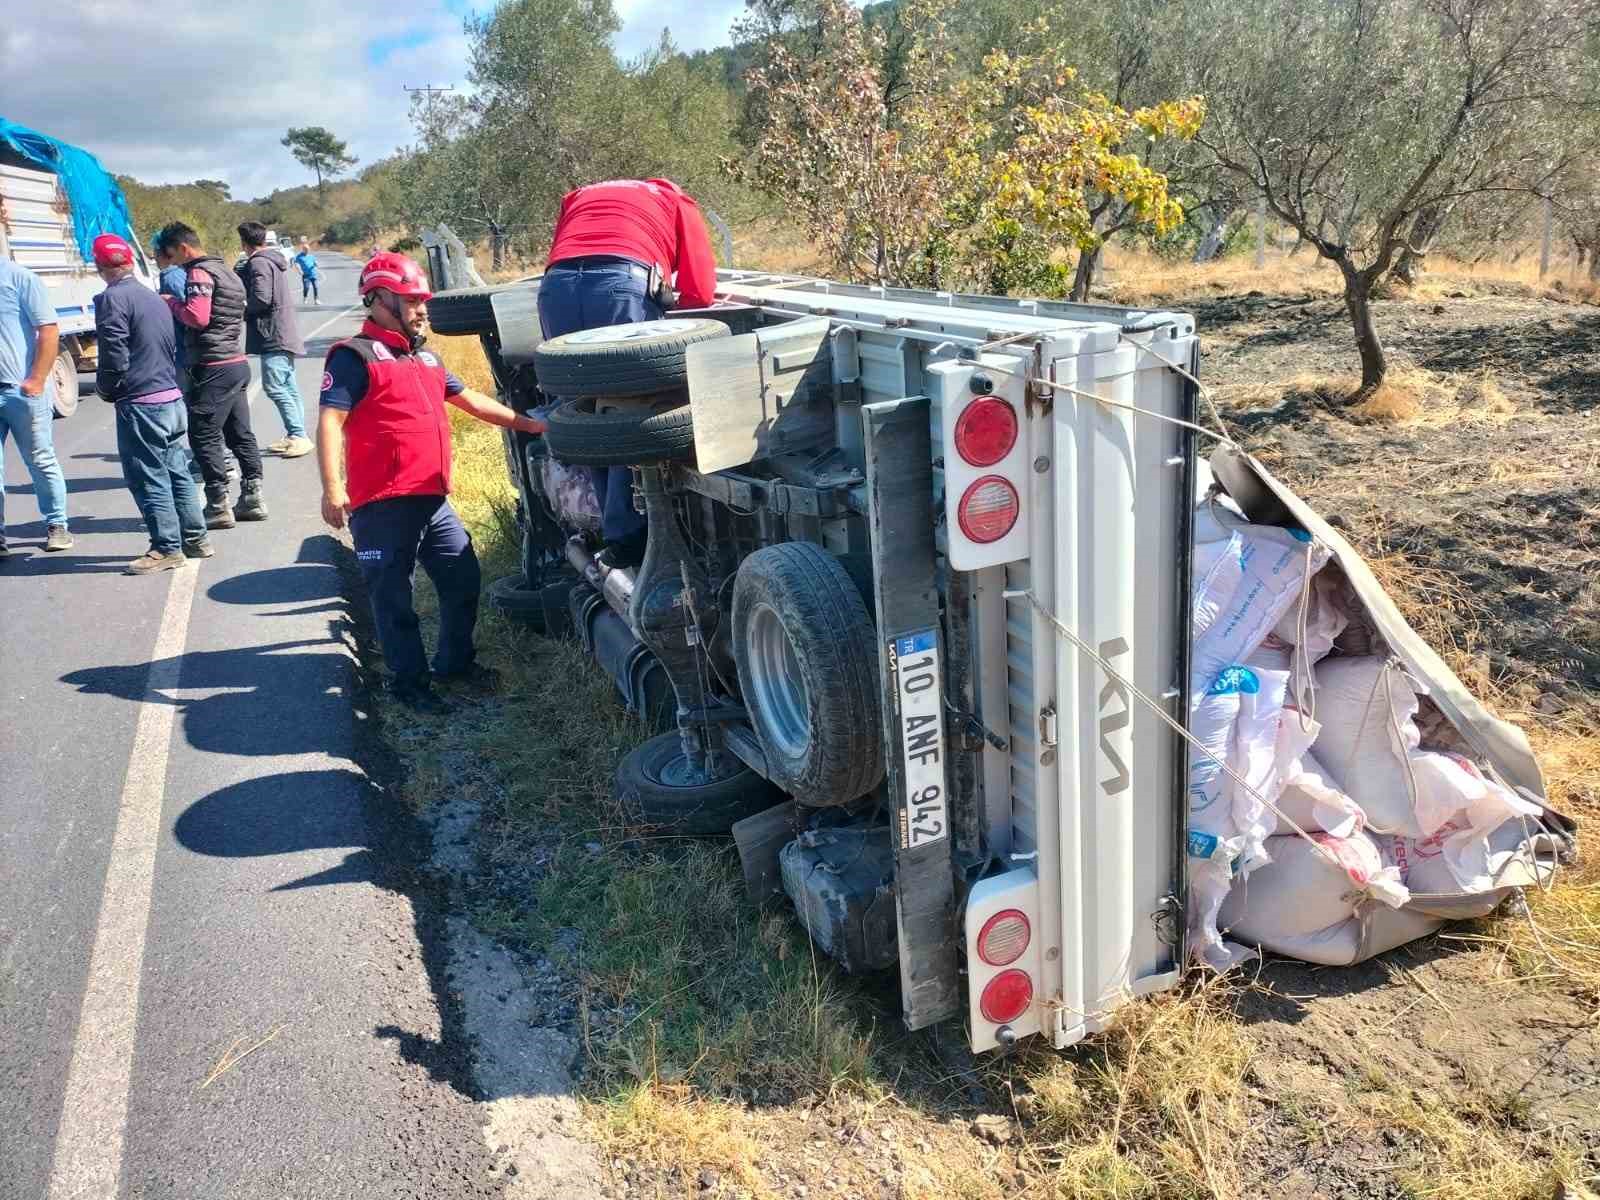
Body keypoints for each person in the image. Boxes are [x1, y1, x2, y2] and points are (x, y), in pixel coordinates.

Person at [318, 252, 546, 714]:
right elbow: (329, 421)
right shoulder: (353, 357)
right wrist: (333, 487)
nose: (421, 309)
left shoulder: (426, 358)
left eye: (422, 300)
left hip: (432, 499)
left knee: (463, 579)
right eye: (411, 300)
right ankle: (409, 685)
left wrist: (534, 426)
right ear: (378, 300)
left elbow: (473, 402)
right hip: (382, 504)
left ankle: (455, 665)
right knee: (393, 600)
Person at [537, 177, 717, 567]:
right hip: (621, 285)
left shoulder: (579, 196)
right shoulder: (673, 199)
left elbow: (567, 251)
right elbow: (700, 291)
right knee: (630, 403)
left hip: (555, 288)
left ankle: (608, 524)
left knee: (584, 406)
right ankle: (631, 533)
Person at [90, 234, 212, 574]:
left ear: (99, 265)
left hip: (142, 402)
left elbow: (114, 354)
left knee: (148, 477)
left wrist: (106, 388)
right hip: (170, 396)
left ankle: (166, 548)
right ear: (130, 261)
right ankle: (197, 538)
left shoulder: (111, 299)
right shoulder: (152, 297)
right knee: (177, 472)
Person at [154, 221, 267, 528]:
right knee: (239, 433)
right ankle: (253, 497)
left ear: (183, 248)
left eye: (171, 255)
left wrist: (171, 303)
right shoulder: (228, 271)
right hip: (235, 361)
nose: (172, 262)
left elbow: (197, 316)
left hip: (212, 366)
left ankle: (218, 504)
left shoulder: (199, 273)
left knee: (203, 434)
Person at [0, 255, 72, 557]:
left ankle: (57, 524)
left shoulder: (20, 278)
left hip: (20, 390)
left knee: (40, 459)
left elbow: (48, 329)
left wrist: (37, 379)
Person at [237, 221, 312, 458]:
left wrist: (242, 309)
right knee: (288, 386)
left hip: (273, 335)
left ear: (244, 243)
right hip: (283, 332)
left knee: (275, 387)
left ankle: (298, 436)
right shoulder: (272, 260)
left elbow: (261, 298)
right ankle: (297, 434)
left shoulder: (258, 263)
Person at [293, 238, 321, 305]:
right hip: (306, 275)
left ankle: (316, 300)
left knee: (316, 287)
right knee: (306, 287)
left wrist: (316, 264)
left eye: (308, 249)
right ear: (303, 249)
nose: (307, 250)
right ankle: (305, 297)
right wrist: (299, 270)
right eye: (306, 249)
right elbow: (296, 263)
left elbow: (315, 262)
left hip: (313, 274)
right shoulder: (299, 256)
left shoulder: (311, 256)